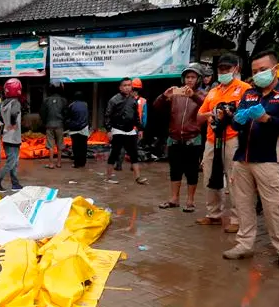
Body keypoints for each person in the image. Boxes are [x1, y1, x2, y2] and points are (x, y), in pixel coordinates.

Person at [225, 49, 279, 270]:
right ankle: (244, 244)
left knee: (273, 208)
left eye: (263, 70)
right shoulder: (250, 94)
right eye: (255, 71)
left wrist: (266, 118)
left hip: (268, 158)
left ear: (275, 69)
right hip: (243, 157)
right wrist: (236, 120)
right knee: (243, 205)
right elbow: (236, 124)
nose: (258, 74)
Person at [195, 53, 252, 232]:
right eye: (221, 69)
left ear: (236, 68)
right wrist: (211, 114)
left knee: (235, 179)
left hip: (233, 139)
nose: (224, 71)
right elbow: (199, 117)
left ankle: (237, 219)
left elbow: (251, 115)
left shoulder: (245, 89)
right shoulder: (213, 91)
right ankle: (213, 215)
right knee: (210, 177)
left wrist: (231, 114)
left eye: (227, 68)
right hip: (212, 140)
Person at [153, 63, 205, 211]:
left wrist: (193, 95)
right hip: (174, 137)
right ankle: (174, 199)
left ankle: (190, 201)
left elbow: (206, 106)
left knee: (192, 171)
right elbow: (156, 106)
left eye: (193, 77)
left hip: (193, 139)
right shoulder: (176, 94)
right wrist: (164, 96)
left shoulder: (202, 94)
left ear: (198, 79)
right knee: (175, 170)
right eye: (187, 77)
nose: (189, 80)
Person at [104, 78, 144, 185]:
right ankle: (108, 177)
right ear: (120, 87)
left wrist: (139, 128)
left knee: (134, 154)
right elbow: (107, 116)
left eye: (129, 85)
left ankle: (138, 177)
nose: (127, 87)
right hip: (117, 129)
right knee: (114, 153)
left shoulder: (133, 100)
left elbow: (136, 116)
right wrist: (108, 130)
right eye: (125, 85)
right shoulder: (114, 100)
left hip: (130, 130)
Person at [0, 78, 24, 192]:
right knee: (11, 162)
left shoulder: (3, 103)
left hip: (6, 136)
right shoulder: (15, 102)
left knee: (14, 162)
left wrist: (5, 121)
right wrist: (12, 122)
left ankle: (15, 184)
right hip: (13, 137)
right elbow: (14, 113)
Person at [41, 80, 68, 169]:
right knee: (60, 144)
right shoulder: (63, 100)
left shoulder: (46, 100)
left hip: (49, 125)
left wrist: (45, 122)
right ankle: (59, 163)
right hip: (59, 125)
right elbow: (66, 113)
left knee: (50, 145)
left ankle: (51, 164)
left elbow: (43, 113)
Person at [64, 91, 89, 169]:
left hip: (74, 129)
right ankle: (83, 162)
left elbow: (67, 116)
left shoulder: (71, 105)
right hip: (84, 128)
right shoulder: (86, 105)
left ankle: (76, 163)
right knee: (83, 146)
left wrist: (68, 124)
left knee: (76, 146)